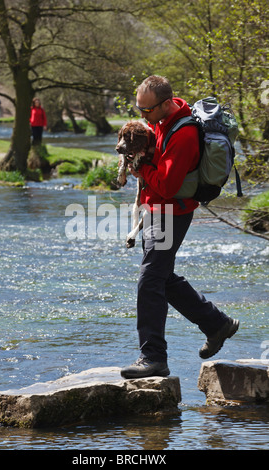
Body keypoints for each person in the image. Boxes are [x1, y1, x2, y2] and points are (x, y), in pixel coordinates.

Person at [120, 75, 239, 379]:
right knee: (162, 278)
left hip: (170, 211)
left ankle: (153, 358)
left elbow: (170, 185)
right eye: (139, 109)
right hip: (156, 208)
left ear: (165, 103)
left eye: (146, 110)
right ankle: (216, 324)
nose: (141, 115)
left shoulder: (183, 134)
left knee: (149, 281)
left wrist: (141, 167)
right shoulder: (161, 121)